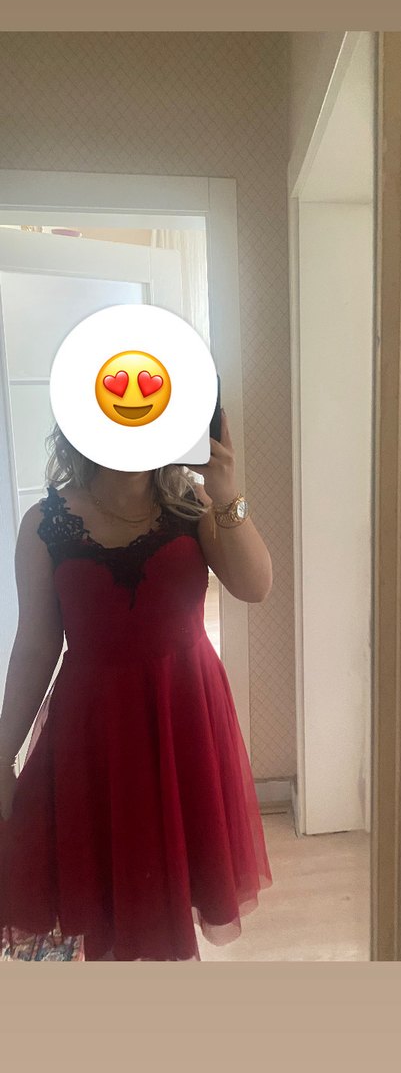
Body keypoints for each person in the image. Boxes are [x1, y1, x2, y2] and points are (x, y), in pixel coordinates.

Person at [0, 410, 273, 961]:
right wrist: (2, 755)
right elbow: (36, 644)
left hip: (185, 715)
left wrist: (226, 492)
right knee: (107, 885)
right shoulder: (44, 524)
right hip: (93, 728)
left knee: (179, 873)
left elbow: (255, 585)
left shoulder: (194, 507)